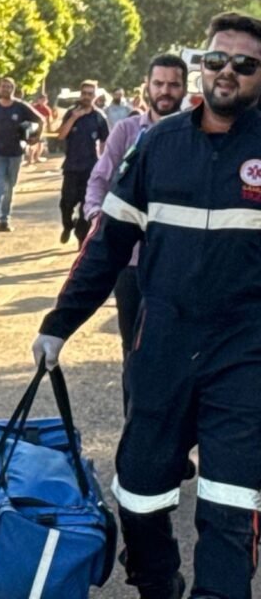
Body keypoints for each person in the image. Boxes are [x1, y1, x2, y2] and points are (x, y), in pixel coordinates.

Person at [32, 12, 261, 599]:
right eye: (215, 60)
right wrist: (60, 324)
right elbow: (107, 244)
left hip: (247, 354)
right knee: (139, 490)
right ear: (199, 68)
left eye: (243, 64)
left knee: (231, 505)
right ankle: (158, 581)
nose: (226, 72)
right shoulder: (159, 145)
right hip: (162, 346)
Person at [83, 54, 187, 410]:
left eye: (173, 84)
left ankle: (172, 438)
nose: (165, 91)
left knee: (176, 351)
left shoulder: (197, 137)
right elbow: (100, 178)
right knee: (133, 350)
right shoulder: (127, 131)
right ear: (147, 87)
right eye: (159, 83)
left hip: (178, 264)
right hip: (130, 263)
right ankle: (134, 427)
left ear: (185, 89)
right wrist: (98, 217)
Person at [0, 78, 41, 232]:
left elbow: (40, 119)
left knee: (9, 187)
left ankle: (4, 220)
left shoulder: (20, 107)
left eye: (9, 87)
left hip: (15, 152)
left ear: (13, 89)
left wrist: (36, 138)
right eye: (3, 86)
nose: (6, 89)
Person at [56, 80, 109, 245]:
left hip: (90, 168)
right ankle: (67, 225)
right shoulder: (71, 113)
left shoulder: (99, 117)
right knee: (66, 203)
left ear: (95, 96)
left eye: (90, 94)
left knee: (86, 206)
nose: (86, 97)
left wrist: (104, 163)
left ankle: (81, 238)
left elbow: (105, 142)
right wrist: (74, 118)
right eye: (84, 93)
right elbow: (61, 135)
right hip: (71, 167)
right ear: (80, 94)